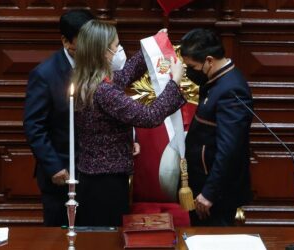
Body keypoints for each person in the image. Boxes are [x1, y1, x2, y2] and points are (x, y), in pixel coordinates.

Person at [72, 20, 186, 226]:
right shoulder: (104, 90)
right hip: (106, 182)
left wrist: (154, 44)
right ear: (105, 52)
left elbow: (126, 74)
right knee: (106, 239)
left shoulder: (87, 80)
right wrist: (174, 82)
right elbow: (149, 116)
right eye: (117, 46)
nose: (118, 50)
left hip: (92, 176)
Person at [23, 9, 95, 226]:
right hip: (61, 174)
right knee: (59, 237)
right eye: (85, 41)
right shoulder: (45, 74)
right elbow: (34, 126)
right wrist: (53, 166)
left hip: (94, 173)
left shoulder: (98, 66)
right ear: (66, 41)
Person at [180, 28, 253, 226]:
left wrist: (209, 193)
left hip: (215, 195)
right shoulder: (217, 80)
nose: (189, 72)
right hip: (203, 183)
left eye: (192, 66)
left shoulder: (231, 89)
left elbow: (229, 150)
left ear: (209, 60)